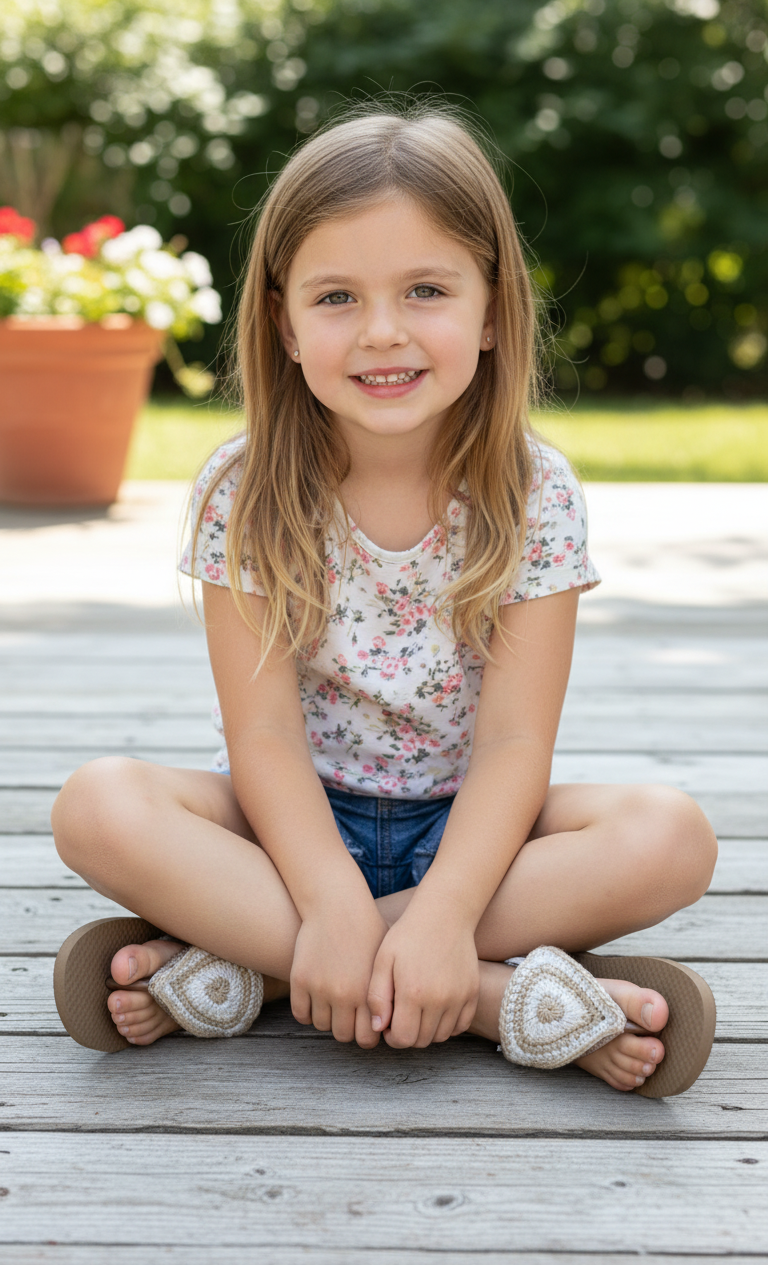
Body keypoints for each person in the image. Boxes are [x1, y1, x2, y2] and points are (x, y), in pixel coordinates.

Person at [51, 104, 718, 1096]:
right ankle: (487, 999)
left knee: (673, 837)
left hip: (469, 833)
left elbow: (511, 749)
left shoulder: (537, 495)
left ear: (493, 310)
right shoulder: (243, 489)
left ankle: (278, 975)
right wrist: (323, 891)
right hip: (285, 832)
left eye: (426, 290)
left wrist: (446, 912)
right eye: (335, 298)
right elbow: (266, 737)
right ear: (281, 320)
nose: (382, 333)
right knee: (97, 807)